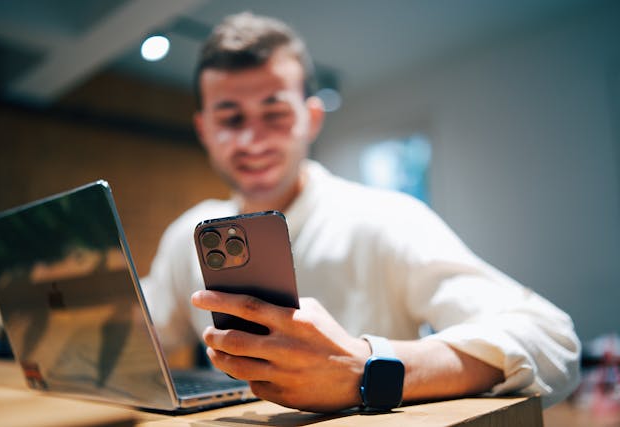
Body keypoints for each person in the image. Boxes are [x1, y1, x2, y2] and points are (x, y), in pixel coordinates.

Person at [141, 12, 580, 413]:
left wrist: (367, 367)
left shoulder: (386, 217)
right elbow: (140, 338)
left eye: (274, 115)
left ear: (312, 119)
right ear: (204, 129)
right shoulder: (188, 236)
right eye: (231, 118)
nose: (253, 140)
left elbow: (551, 340)